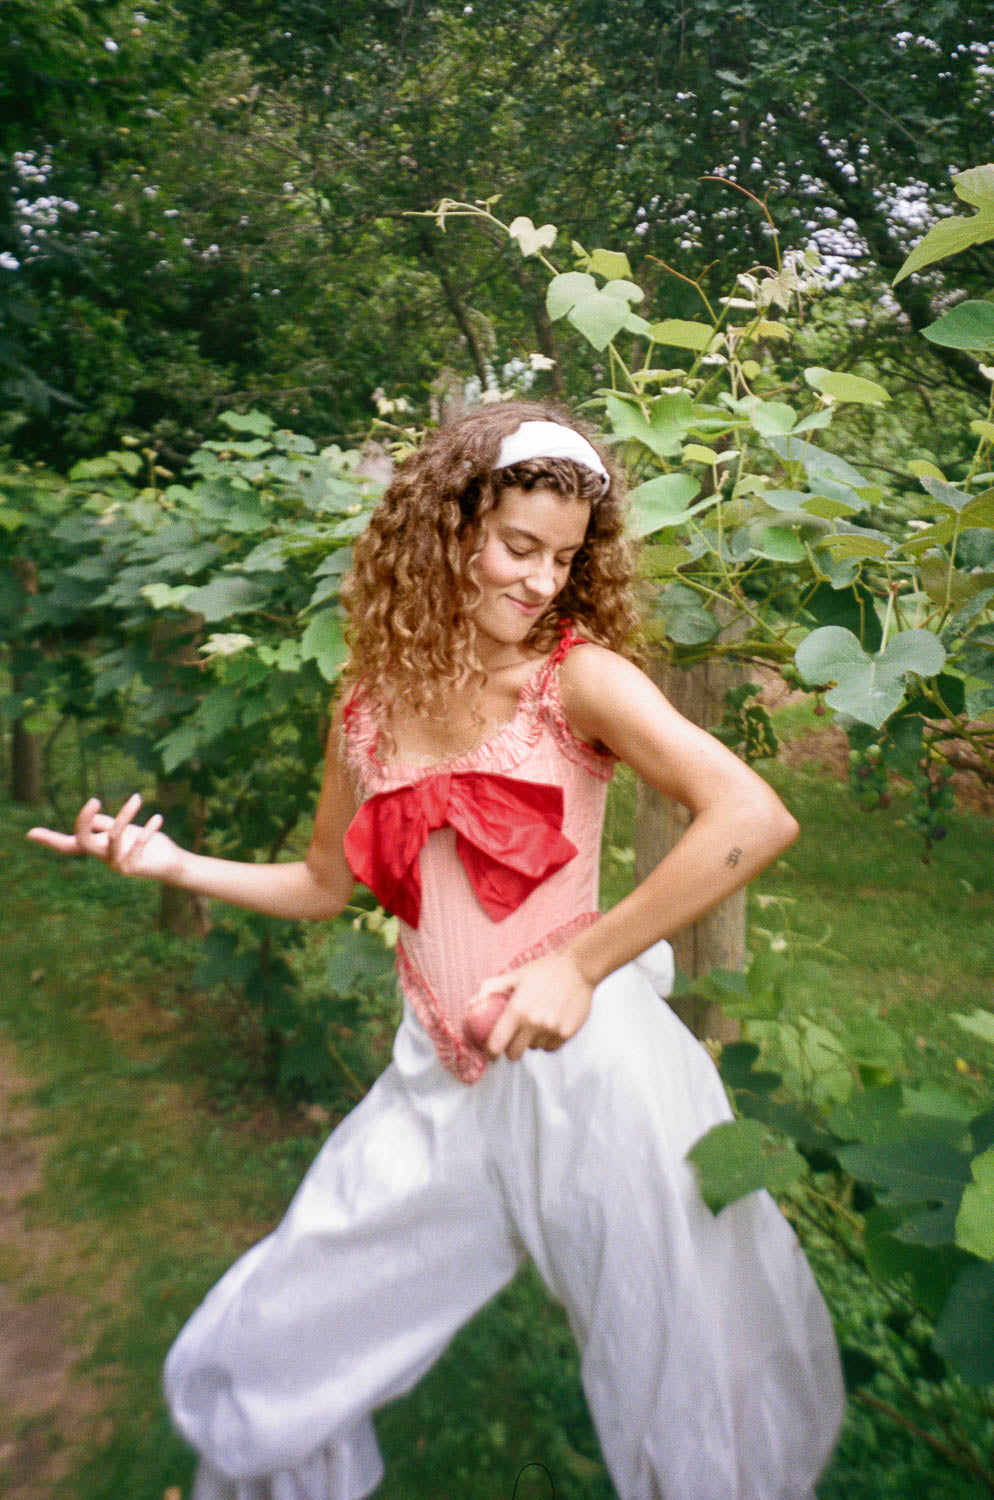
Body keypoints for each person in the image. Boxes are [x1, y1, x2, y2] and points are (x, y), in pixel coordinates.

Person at [28, 401, 845, 1500]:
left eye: (564, 558)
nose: (541, 581)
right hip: (439, 1076)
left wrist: (579, 965)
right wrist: (174, 864)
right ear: (450, 528)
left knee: (686, 1369)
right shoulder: (367, 706)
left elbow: (752, 815)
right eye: (518, 546)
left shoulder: (576, 680)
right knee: (285, 1331)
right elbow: (324, 884)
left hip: (595, 1075)